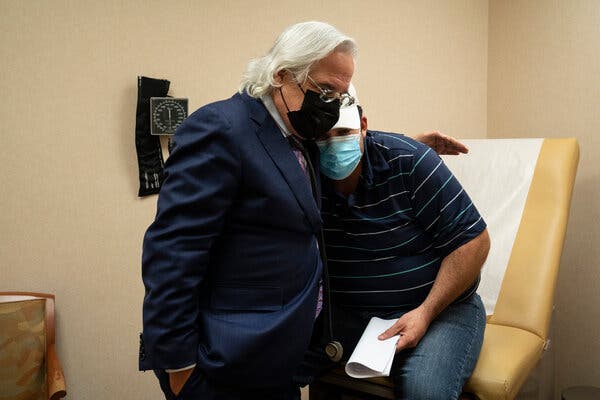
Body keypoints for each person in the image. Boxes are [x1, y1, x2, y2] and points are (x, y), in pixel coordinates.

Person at [139, 20, 470, 400]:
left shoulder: (297, 137)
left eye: (340, 95)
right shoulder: (221, 128)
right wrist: (180, 368)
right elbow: (172, 256)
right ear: (281, 75)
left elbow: (339, 151)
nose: (329, 106)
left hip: (277, 360)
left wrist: (404, 148)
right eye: (325, 89)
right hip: (225, 364)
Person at [298, 87, 490, 400]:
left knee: (424, 392)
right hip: (352, 313)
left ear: (363, 126)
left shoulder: (410, 160)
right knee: (272, 365)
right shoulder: (305, 172)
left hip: (440, 310)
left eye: (343, 132)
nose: (333, 145)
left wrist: (425, 313)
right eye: (323, 136)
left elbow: (475, 242)